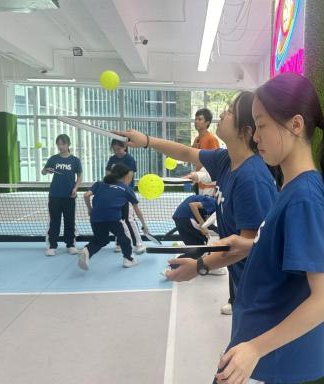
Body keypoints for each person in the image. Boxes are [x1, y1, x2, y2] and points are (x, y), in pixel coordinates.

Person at [166, 73, 324, 384]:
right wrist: (244, 248)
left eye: (262, 125)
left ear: (295, 125)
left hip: (266, 359)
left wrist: (255, 349)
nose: (256, 135)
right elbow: (287, 254)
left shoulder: (304, 197)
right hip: (257, 346)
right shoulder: (292, 187)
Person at [117, 92, 277, 315]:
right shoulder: (226, 159)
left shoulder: (251, 179)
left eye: (230, 111)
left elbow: (245, 248)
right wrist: (146, 141)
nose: (223, 113)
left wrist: (198, 266)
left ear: (246, 131)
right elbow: (186, 152)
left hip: (261, 292)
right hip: (244, 282)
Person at [78, 164, 149, 271]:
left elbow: (86, 195)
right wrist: (144, 224)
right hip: (113, 219)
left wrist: (90, 209)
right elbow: (136, 209)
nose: (130, 180)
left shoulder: (99, 184)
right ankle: (129, 259)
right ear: (124, 177)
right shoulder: (126, 189)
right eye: (129, 178)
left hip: (96, 218)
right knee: (125, 238)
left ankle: (87, 250)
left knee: (101, 240)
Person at [42, 134, 82, 256]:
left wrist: (75, 188)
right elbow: (43, 172)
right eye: (58, 144)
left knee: (70, 221)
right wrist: (46, 170)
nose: (60, 146)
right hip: (55, 195)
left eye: (63, 144)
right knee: (54, 221)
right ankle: (52, 246)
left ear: (68, 144)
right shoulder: (53, 159)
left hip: (69, 196)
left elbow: (79, 176)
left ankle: (70, 245)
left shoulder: (75, 160)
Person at [105, 139, 146, 255]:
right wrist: (112, 190)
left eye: (118, 149)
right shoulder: (112, 159)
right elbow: (108, 175)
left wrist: (121, 191)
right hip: (114, 194)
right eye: (114, 149)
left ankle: (138, 243)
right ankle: (120, 242)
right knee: (118, 218)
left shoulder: (129, 159)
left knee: (128, 218)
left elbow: (128, 178)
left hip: (126, 194)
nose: (116, 151)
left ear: (124, 147)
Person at [192, 108, 220, 195]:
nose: (196, 121)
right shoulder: (197, 139)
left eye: (200, 119)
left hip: (209, 185)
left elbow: (216, 163)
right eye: (196, 119)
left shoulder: (212, 139)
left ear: (207, 122)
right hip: (199, 181)